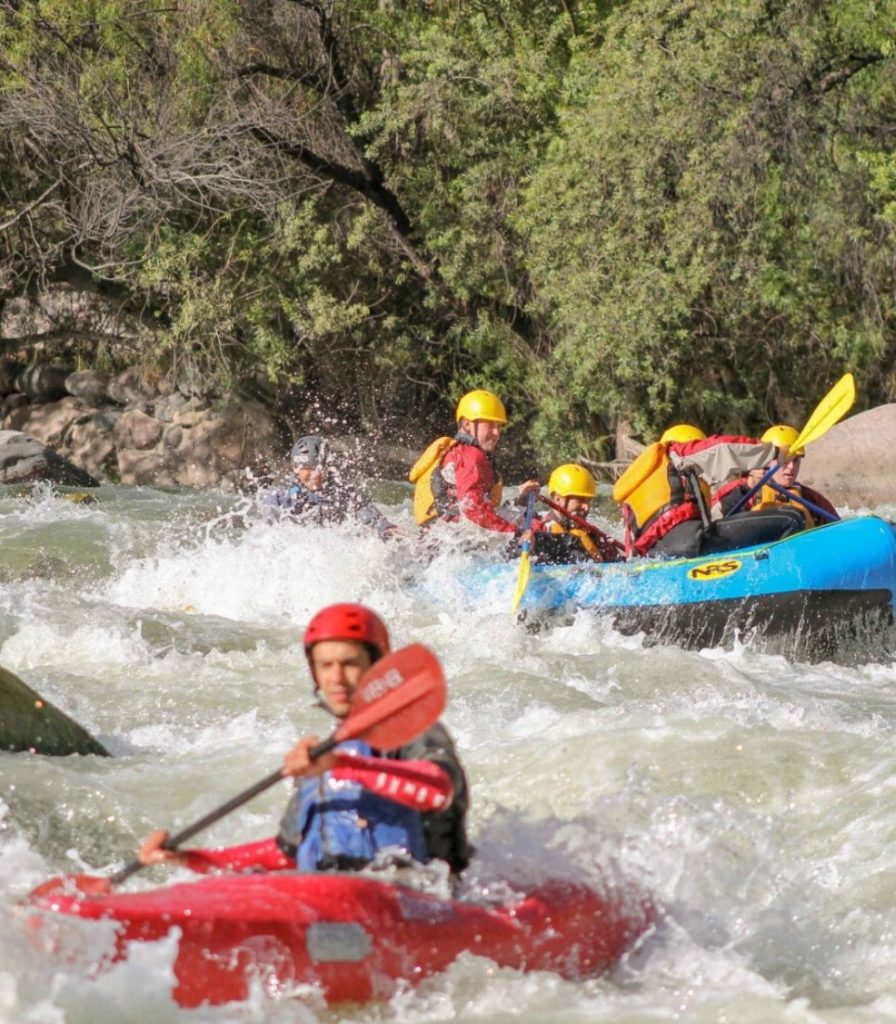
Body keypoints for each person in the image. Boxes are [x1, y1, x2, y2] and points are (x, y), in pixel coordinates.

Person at [138, 603, 471, 877]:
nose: (336, 678)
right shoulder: (325, 756)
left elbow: (438, 790)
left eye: (350, 663)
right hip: (336, 904)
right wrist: (192, 859)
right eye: (325, 665)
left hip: (421, 903)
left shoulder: (413, 730)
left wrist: (342, 766)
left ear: (377, 666)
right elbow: (287, 855)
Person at [613, 425, 807, 558]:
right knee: (792, 518)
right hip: (688, 541)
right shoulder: (679, 453)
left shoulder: (642, 481)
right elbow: (723, 448)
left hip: (657, 554)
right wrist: (772, 453)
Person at [409, 389, 540, 544]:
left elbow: (482, 509)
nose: (496, 432)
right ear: (466, 424)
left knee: (527, 518)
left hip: (437, 540)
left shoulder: (460, 452)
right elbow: (473, 511)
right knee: (541, 531)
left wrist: (520, 502)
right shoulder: (470, 456)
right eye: (490, 425)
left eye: (499, 426)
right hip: (449, 544)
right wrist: (516, 534)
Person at [269, 435, 398, 540]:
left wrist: (386, 529)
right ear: (296, 469)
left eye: (317, 468)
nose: (314, 474)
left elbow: (369, 515)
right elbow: (265, 525)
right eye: (307, 469)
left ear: (326, 467)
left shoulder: (341, 491)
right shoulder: (285, 492)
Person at [711, 424, 839, 527]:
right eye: (785, 460)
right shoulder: (741, 489)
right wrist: (746, 489)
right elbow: (711, 521)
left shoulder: (810, 498)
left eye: (796, 460)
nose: (791, 467)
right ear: (765, 459)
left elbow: (838, 530)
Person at [532, 463, 619, 564]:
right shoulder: (538, 529)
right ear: (557, 499)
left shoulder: (593, 534)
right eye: (580, 500)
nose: (586, 507)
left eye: (588, 501)